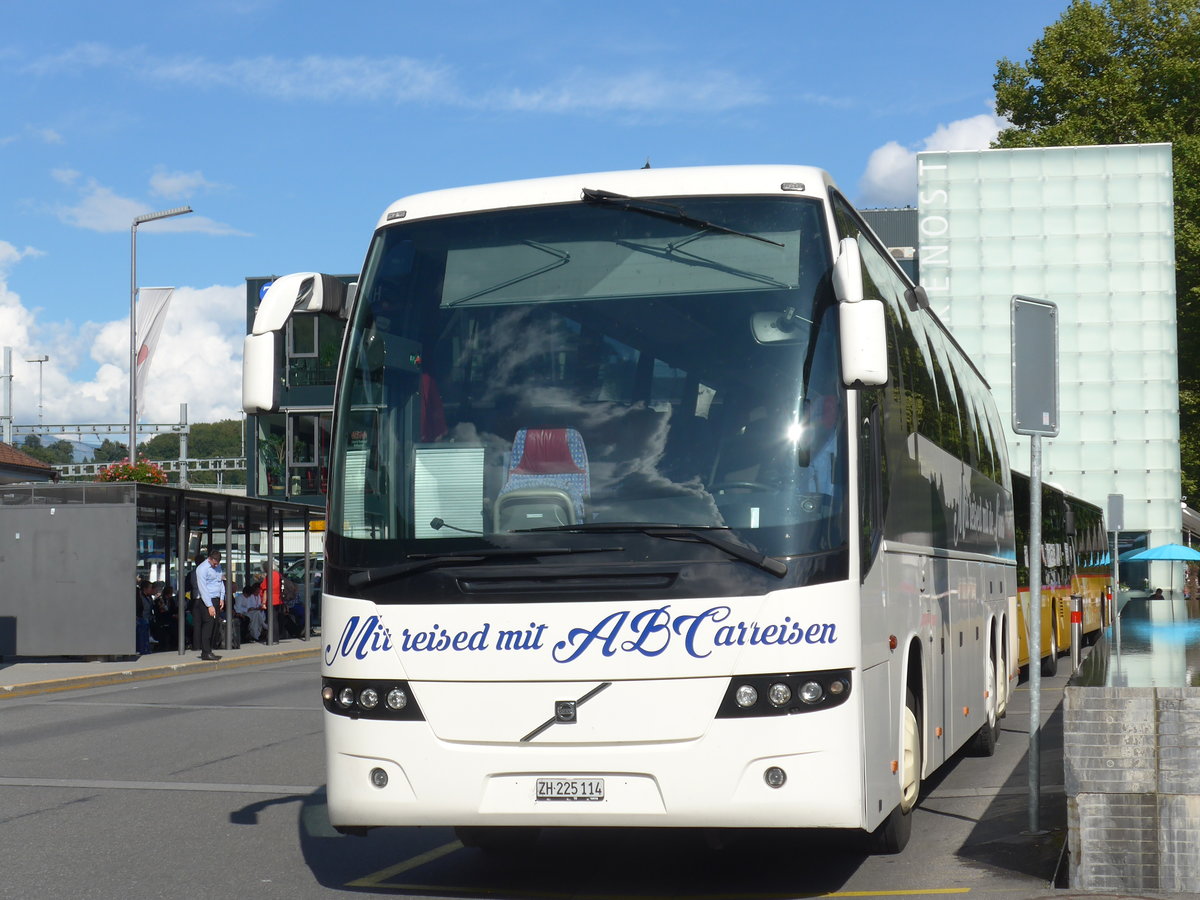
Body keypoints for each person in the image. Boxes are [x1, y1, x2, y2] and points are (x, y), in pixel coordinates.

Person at [192, 549, 226, 661]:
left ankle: (210, 648)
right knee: (208, 625)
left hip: (216, 597)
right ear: (210, 559)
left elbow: (220, 582)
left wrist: (222, 597)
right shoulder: (202, 569)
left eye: (218, 563)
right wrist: (209, 605)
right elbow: (203, 588)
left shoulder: (218, 567)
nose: (216, 565)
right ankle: (206, 651)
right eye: (214, 562)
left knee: (215, 625)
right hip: (207, 599)